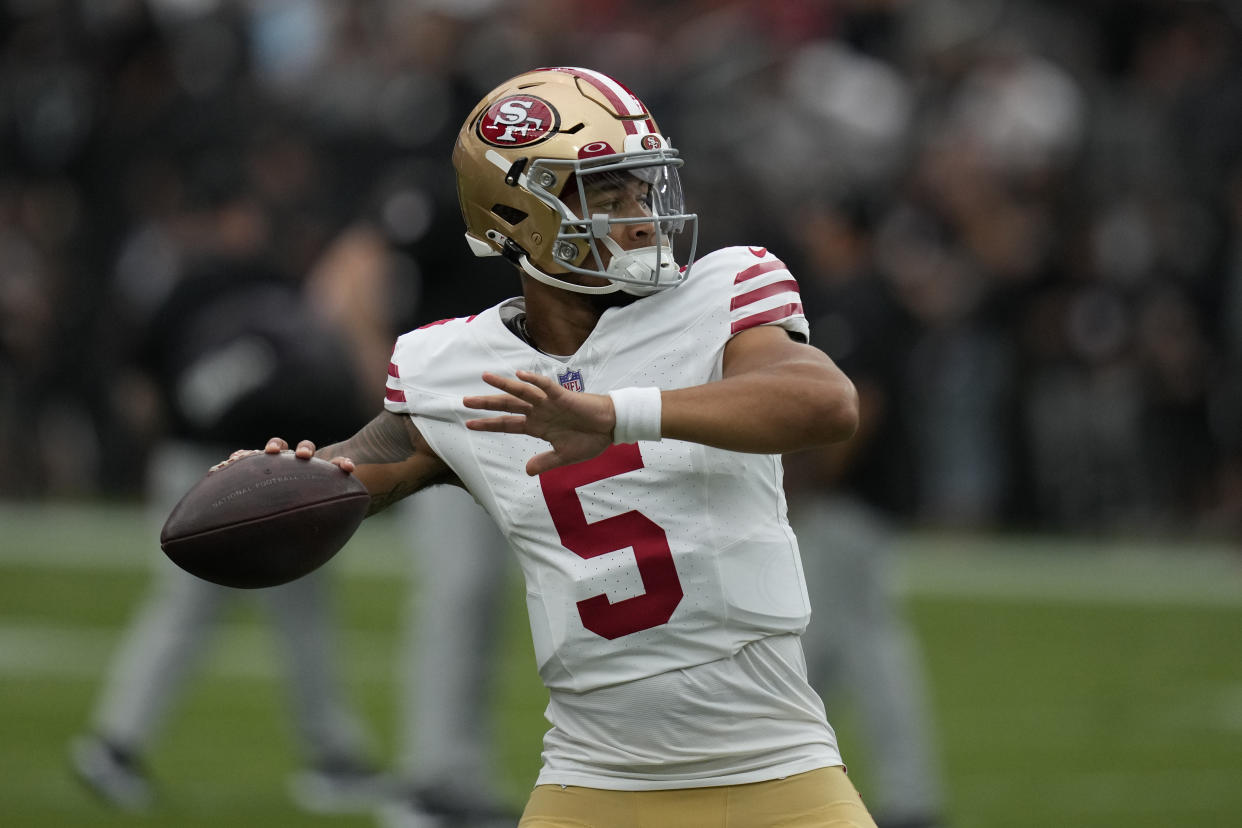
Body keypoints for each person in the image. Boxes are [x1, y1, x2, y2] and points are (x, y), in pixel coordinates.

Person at [246, 66, 870, 827]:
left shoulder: (725, 291)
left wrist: (613, 414)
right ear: (516, 215)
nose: (641, 218)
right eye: (607, 195)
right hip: (589, 781)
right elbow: (348, 474)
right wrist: (271, 483)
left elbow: (825, 402)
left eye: (644, 190)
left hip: (778, 772)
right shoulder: (454, 371)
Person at [70, 179, 384, 816]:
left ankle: (120, 742)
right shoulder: (253, 286)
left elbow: (141, 389)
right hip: (246, 464)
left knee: (261, 609)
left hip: (242, 462)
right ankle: (117, 743)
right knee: (208, 607)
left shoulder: (202, 286)